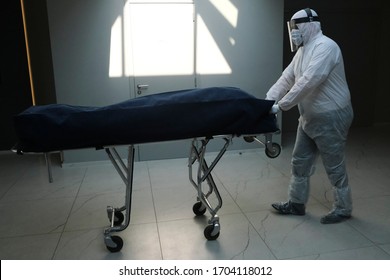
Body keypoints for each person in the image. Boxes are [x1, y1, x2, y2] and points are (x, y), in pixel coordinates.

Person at [266, 8, 354, 224]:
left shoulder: (327, 47)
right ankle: (296, 204)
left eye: (295, 27)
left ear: (308, 25)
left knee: (333, 164)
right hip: (309, 117)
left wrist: (281, 106)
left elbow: (308, 81)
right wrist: (268, 101)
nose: (293, 32)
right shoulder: (303, 50)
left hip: (331, 116)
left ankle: (343, 208)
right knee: (300, 161)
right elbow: (287, 77)